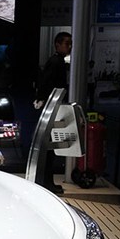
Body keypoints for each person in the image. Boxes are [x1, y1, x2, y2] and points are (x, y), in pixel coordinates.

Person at [34, 31, 73, 195]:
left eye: (70, 44)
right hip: (51, 107)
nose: (69, 47)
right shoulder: (55, 62)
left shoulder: (57, 61)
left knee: (50, 148)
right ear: (57, 45)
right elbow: (46, 83)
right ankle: (47, 182)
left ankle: (47, 182)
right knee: (48, 148)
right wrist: (42, 99)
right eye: (67, 44)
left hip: (52, 106)